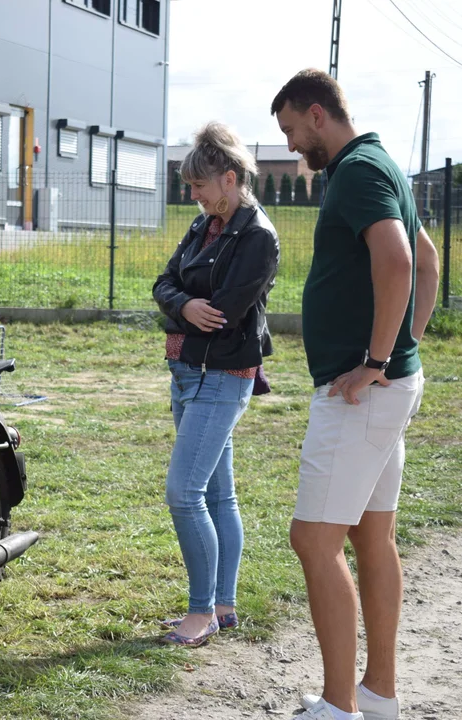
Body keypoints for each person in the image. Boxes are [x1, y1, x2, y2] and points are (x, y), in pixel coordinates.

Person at [271, 69, 440, 720]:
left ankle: (338, 707)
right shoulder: (382, 164)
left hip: (357, 393)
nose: (291, 146)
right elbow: (426, 261)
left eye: (290, 130)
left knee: (313, 542)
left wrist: (377, 359)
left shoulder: (357, 170)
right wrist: (402, 350)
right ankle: (378, 693)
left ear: (317, 115)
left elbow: (399, 261)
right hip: (380, 388)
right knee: (372, 537)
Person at [151, 121, 280, 647]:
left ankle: (199, 613)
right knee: (220, 496)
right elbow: (163, 284)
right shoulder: (202, 225)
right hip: (186, 370)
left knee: (184, 494)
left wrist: (181, 306)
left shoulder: (257, 236)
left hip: (223, 375)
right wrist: (182, 305)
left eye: (198, 186)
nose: (193, 195)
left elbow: (224, 313)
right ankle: (223, 606)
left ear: (228, 179)